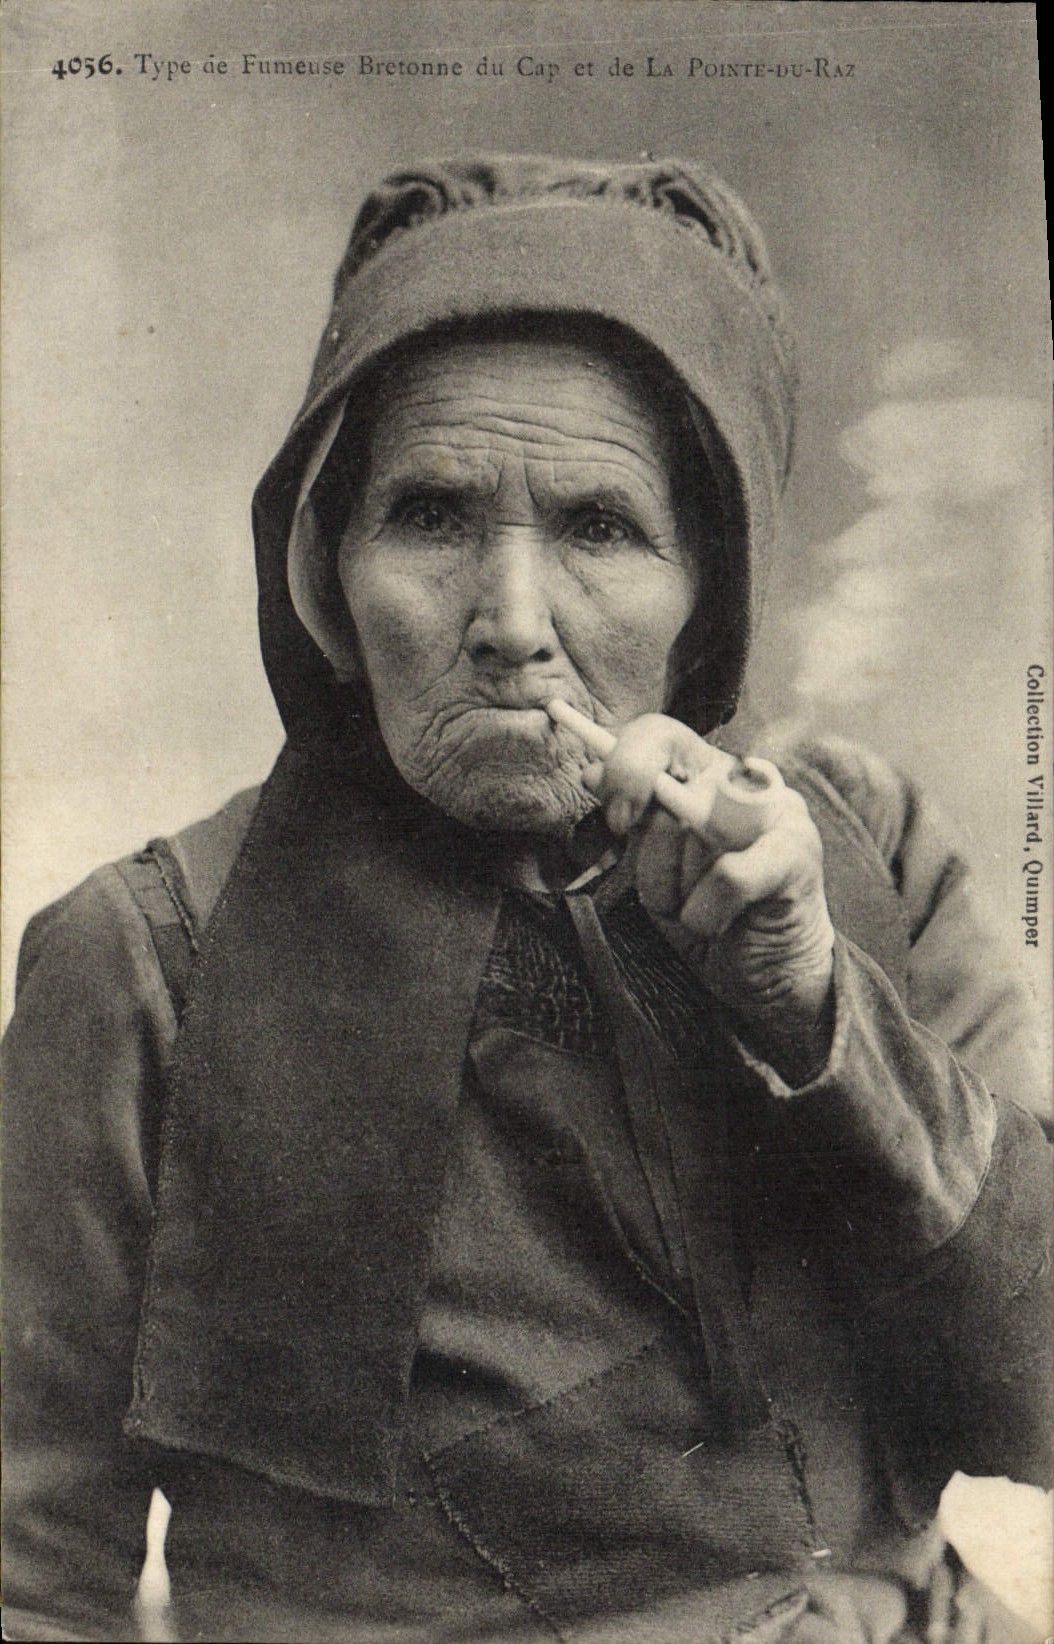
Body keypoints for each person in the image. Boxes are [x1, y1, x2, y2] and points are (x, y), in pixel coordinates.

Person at [3, 155, 1050, 1644]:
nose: (508, 622)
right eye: (429, 515)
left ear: (710, 590)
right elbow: (30, 1579)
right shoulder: (147, 963)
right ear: (327, 565)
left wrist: (814, 1008)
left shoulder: (862, 853)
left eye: (599, 528)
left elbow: (1045, 1403)